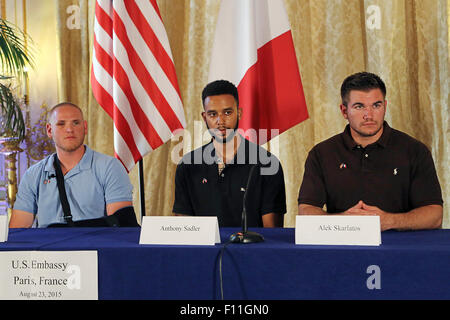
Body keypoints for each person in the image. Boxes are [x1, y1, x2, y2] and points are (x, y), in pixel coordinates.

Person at [298, 72, 443, 231]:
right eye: (359, 106)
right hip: (342, 248)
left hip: (400, 250)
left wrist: (389, 221)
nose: (369, 115)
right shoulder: (321, 153)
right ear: (344, 111)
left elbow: (434, 215)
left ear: (385, 107)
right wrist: (344, 222)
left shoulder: (415, 151)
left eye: (376, 105)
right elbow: (306, 211)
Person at [173, 80, 286, 227]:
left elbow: (272, 236)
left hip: (250, 250)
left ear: (239, 113)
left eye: (227, 112)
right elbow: (184, 231)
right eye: (213, 114)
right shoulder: (188, 165)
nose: (221, 121)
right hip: (204, 250)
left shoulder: (267, 164)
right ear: (204, 117)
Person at [10, 102, 137, 228]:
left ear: (85, 128)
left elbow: (119, 227)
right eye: (61, 124)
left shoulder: (110, 167)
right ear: (49, 130)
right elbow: (18, 231)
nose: (70, 129)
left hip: (95, 246)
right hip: (49, 248)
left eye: (76, 123)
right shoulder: (33, 175)